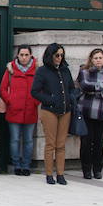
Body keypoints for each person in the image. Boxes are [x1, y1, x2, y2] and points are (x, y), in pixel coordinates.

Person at [31, 43, 78, 185]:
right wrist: (50, 100)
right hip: (49, 110)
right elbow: (35, 91)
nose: (59, 58)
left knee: (61, 144)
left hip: (65, 110)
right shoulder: (42, 71)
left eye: (62, 55)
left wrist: (71, 98)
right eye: (57, 55)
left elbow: (71, 88)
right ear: (50, 55)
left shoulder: (65, 70)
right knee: (50, 143)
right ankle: (49, 174)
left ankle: (61, 174)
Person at [0, 46, 40, 176]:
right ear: (17, 55)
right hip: (14, 110)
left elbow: (42, 89)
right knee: (15, 139)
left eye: (26, 55)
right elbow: (3, 89)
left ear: (30, 56)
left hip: (30, 111)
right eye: (21, 54)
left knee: (28, 140)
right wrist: (10, 100)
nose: (23, 57)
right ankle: (16, 165)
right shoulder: (10, 70)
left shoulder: (37, 71)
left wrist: (35, 102)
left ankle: (26, 165)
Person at [77, 48, 103, 180]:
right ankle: (86, 169)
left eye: (100, 58)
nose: (98, 60)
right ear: (91, 59)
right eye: (95, 58)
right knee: (86, 142)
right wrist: (101, 87)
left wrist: (95, 88)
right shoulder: (84, 71)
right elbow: (84, 86)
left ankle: (97, 169)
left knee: (99, 142)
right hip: (87, 110)